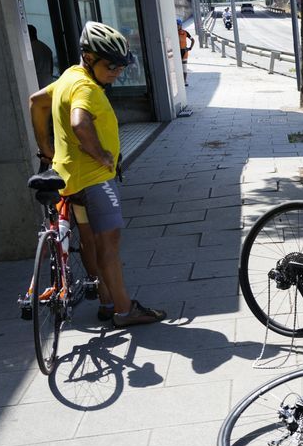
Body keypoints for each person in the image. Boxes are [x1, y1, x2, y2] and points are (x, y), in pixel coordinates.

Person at [27, 21, 167, 327]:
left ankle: (105, 302)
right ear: (89, 58)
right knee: (109, 245)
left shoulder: (69, 77)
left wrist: (46, 149)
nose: (117, 72)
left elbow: (36, 102)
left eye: (122, 66)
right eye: (112, 66)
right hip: (95, 180)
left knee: (89, 242)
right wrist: (102, 154)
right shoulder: (86, 88)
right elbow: (79, 123)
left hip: (70, 177)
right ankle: (125, 310)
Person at [28, 24, 55, 88]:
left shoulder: (29, 49)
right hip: (49, 82)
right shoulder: (46, 48)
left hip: (37, 83)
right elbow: (51, 69)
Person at [177, 18, 194, 86]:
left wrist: (190, 48)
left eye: (178, 24)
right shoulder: (174, 33)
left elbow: (193, 40)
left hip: (184, 51)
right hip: (177, 52)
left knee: (184, 67)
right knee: (178, 67)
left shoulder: (185, 32)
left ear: (181, 25)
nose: (176, 26)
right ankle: (179, 81)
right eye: (176, 25)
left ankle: (185, 81)